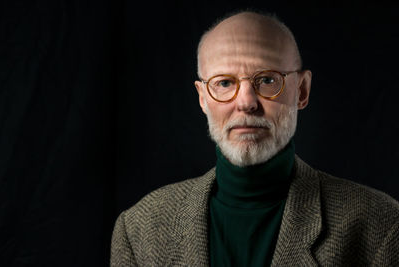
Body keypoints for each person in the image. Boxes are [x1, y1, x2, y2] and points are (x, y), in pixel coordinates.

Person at [111, 11, 399, 266]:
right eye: (224, 83)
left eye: (267, 80)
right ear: (202, 98)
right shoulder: (139, 229)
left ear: (301, 90)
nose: (247, 102)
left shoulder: (380, 224)